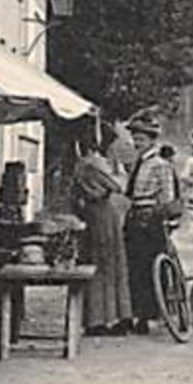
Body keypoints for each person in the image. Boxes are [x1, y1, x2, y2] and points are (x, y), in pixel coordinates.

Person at [71, 126, 135, 336]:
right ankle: (112, 316)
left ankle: (97, 318)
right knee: (109, 264)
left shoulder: (85, 163)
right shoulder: (95, 162)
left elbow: (113, 187)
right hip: (103, 214)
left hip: (94, 214)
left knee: (98, 262)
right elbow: (117, 186)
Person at [123, 115, 178, 336]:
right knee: (135, 268)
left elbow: (167, 196)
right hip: (135, 217)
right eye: (135, 139)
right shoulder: (138, 163)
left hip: (151, 220)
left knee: (150, 268)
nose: (137, 143)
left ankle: (151, 314)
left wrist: (163, 216)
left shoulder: (159, 165)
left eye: (142, 139)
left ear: (152, 141)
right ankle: (138, 314)